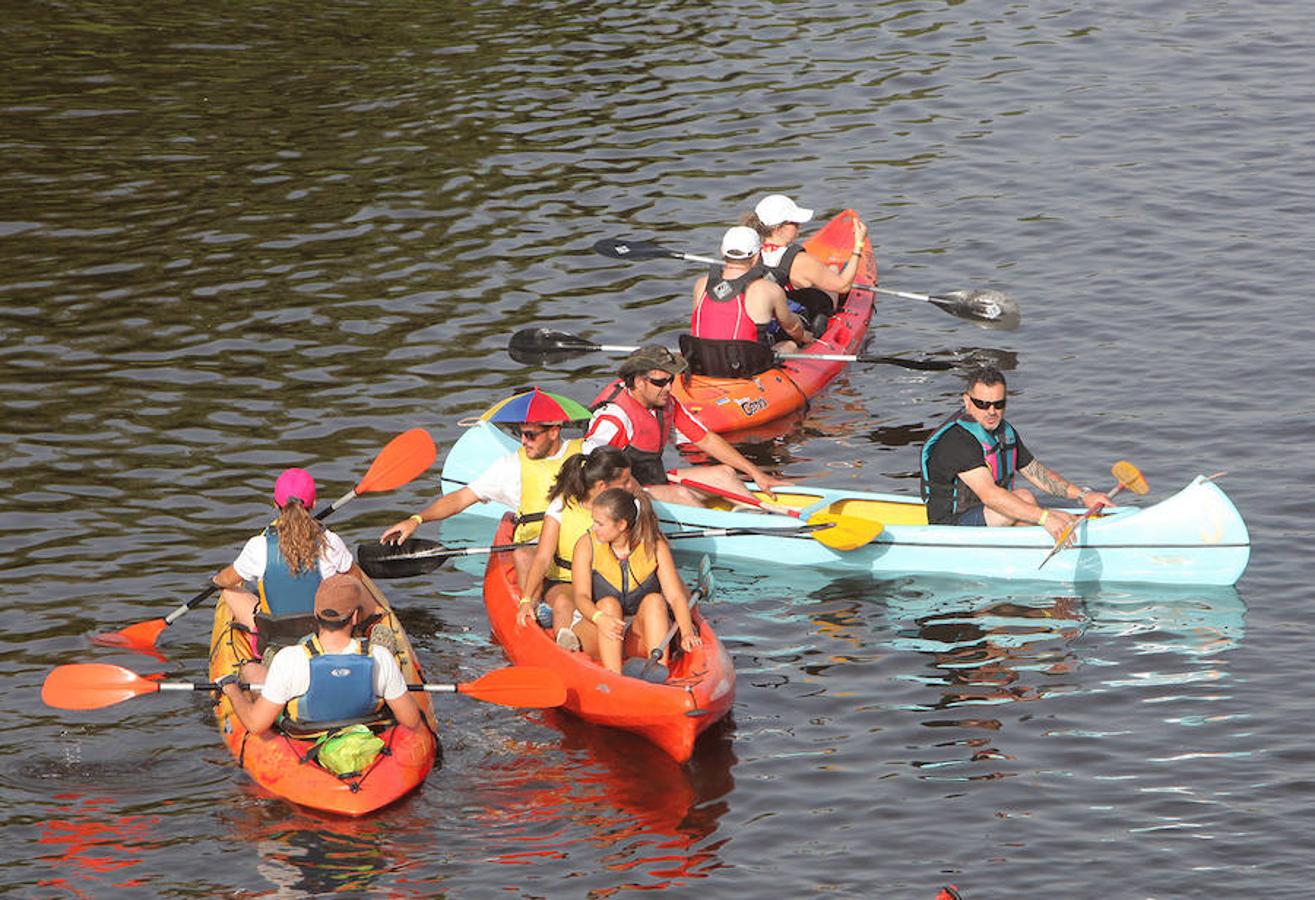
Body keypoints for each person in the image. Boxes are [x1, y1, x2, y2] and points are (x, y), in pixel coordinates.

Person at [380, 409, 583, 584]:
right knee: (524, 557)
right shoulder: (510, 466)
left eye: (530, 435)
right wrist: (417, 519)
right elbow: (460, 499)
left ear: (554, 432)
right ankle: (534, 609)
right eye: (520, 434)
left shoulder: (586, 452)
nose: (523, 441)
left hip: (580, 546)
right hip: (534, 552)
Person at [584, 345, 792, 506]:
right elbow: (589, 462)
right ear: (639, 382)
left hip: (654, 481)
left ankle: (760, 513)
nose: (668, 388)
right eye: (660, 382)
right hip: (626, 494)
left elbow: (706, 439)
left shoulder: (666, 403)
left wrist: (756, 474)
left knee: (725, 473)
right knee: (681, 494)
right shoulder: (614, 416)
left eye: (671, 380)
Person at [919, 366, 1114, 538]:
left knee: (1035, 504)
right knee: (1024, 501)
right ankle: (1062, 528)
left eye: (999, 404)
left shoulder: (1004, 433)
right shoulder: (957, 442)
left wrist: (1083, 495)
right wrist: (1045, 517)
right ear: (967, 401)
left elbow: (1037, 473)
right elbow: (991, 496)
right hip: (950, 529)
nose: (991, 411)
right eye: (983, 404)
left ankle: (1066, 526)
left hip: (990, 516)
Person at [220, 573, 422, 737]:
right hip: (365, 728)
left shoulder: (290, 659)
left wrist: (232, 690)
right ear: (355, 617)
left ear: (316, 613)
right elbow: (411, 720)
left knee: (251, 669)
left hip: (305, 734)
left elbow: (255, 725)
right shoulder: (380, 657)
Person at [212, 467, 375, 636]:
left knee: (227, 589)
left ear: (275, 504)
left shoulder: (257, 546)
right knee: (356, 588)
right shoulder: (330, 542)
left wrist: (215, 580)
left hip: (276, 636)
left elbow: (226, 580)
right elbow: (355, 578)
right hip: (323, 634)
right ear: (314, 504)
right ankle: (375, 623)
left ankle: (256, 638)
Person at [569, 488, 702, 674]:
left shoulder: (655, 546)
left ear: (622, 525)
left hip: (634, 636)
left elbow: (675, 596)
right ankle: (614, 678)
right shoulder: (586, 544)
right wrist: (601, 619)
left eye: (600, 523)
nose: (594, 528)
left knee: (655, 601)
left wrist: (687, 632)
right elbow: (580, 597)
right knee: (608, 605)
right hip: (597, 630)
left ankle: (657, 674)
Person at [517, 446, 636, 651]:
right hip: (567, 581)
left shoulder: (629, 508)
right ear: (602, 486)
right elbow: (543, 557)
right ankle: (565, 651)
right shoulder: (561, 506)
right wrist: (526, 599)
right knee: (564, 602)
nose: (631, 486)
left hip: (609, 582)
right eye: (624, 482)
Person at [686, 225, 812, 378]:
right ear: (756, 256)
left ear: (722, 252)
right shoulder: (769, 289)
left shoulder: (701, 284)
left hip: (705, 366)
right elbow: (793, 329)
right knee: (790, 345)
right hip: (745, 369)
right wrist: (808, 339)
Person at [743, 194, 869, 323]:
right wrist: (859, 244)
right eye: (795, 223)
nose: (800, 226)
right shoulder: (800, 260)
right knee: (834, 269)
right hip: (793, 321)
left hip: (765, 314)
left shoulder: (748, 253)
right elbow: (843, 286)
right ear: (777, 228)